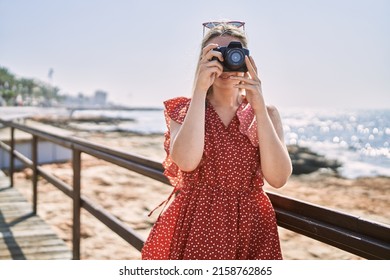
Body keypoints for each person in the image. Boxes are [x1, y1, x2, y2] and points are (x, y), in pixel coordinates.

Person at [141, 21, 292, 260]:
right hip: (198, 222)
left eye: (232, 54)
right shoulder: (185, 110)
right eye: (215, 56)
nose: (224, 65)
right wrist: (199, 90)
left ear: (247, 60)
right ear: (202, 62)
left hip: (252, 225)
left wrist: (259, 108)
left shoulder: (266, 113)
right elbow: (187, 162)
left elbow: (278, 178)